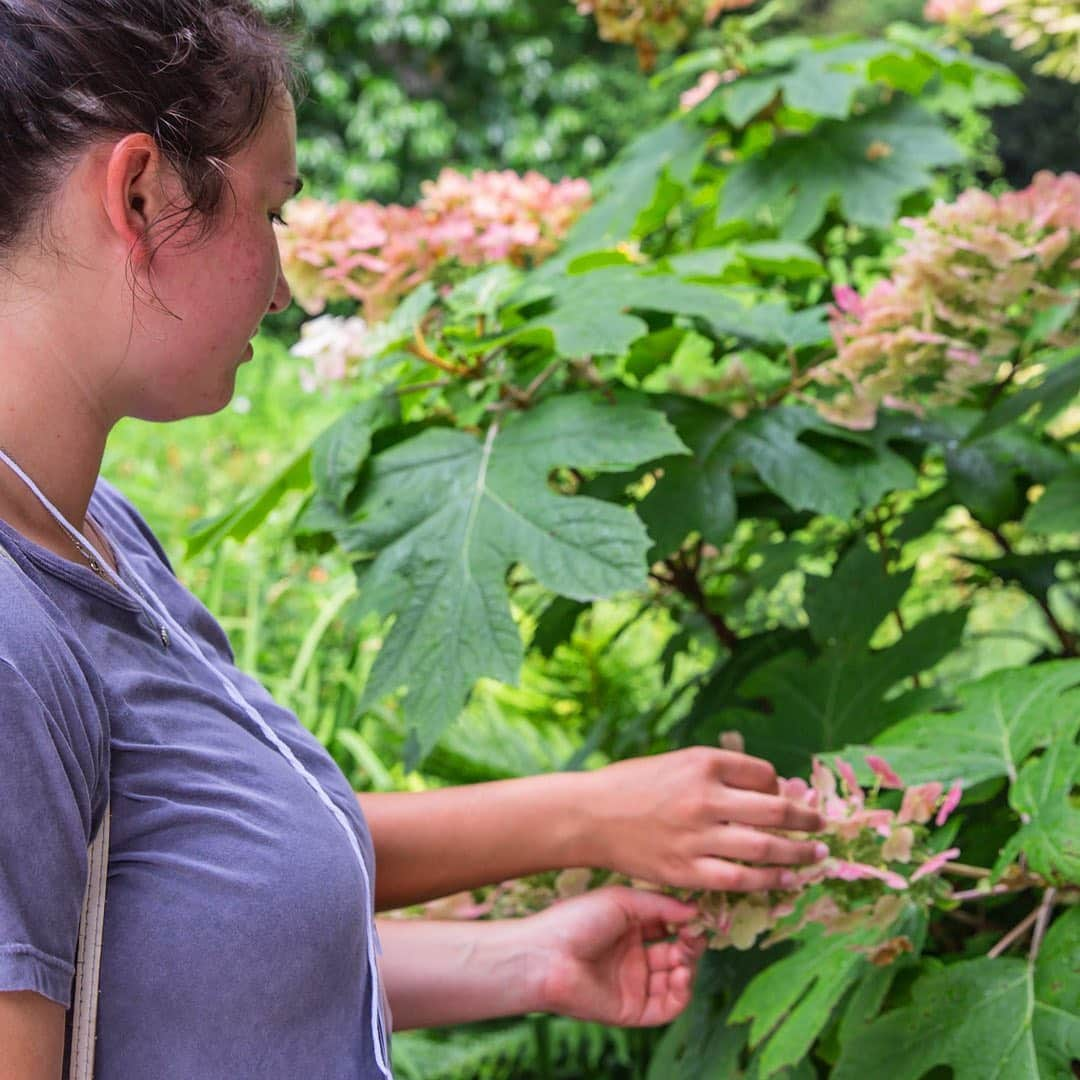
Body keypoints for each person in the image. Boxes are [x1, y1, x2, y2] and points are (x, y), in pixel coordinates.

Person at [0, 2, 827, 1077]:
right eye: (271, 209)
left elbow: (189, 935)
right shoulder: (13, 638)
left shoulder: (93, 530)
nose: (285, 279)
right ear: (143, 194)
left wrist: (525, 955)